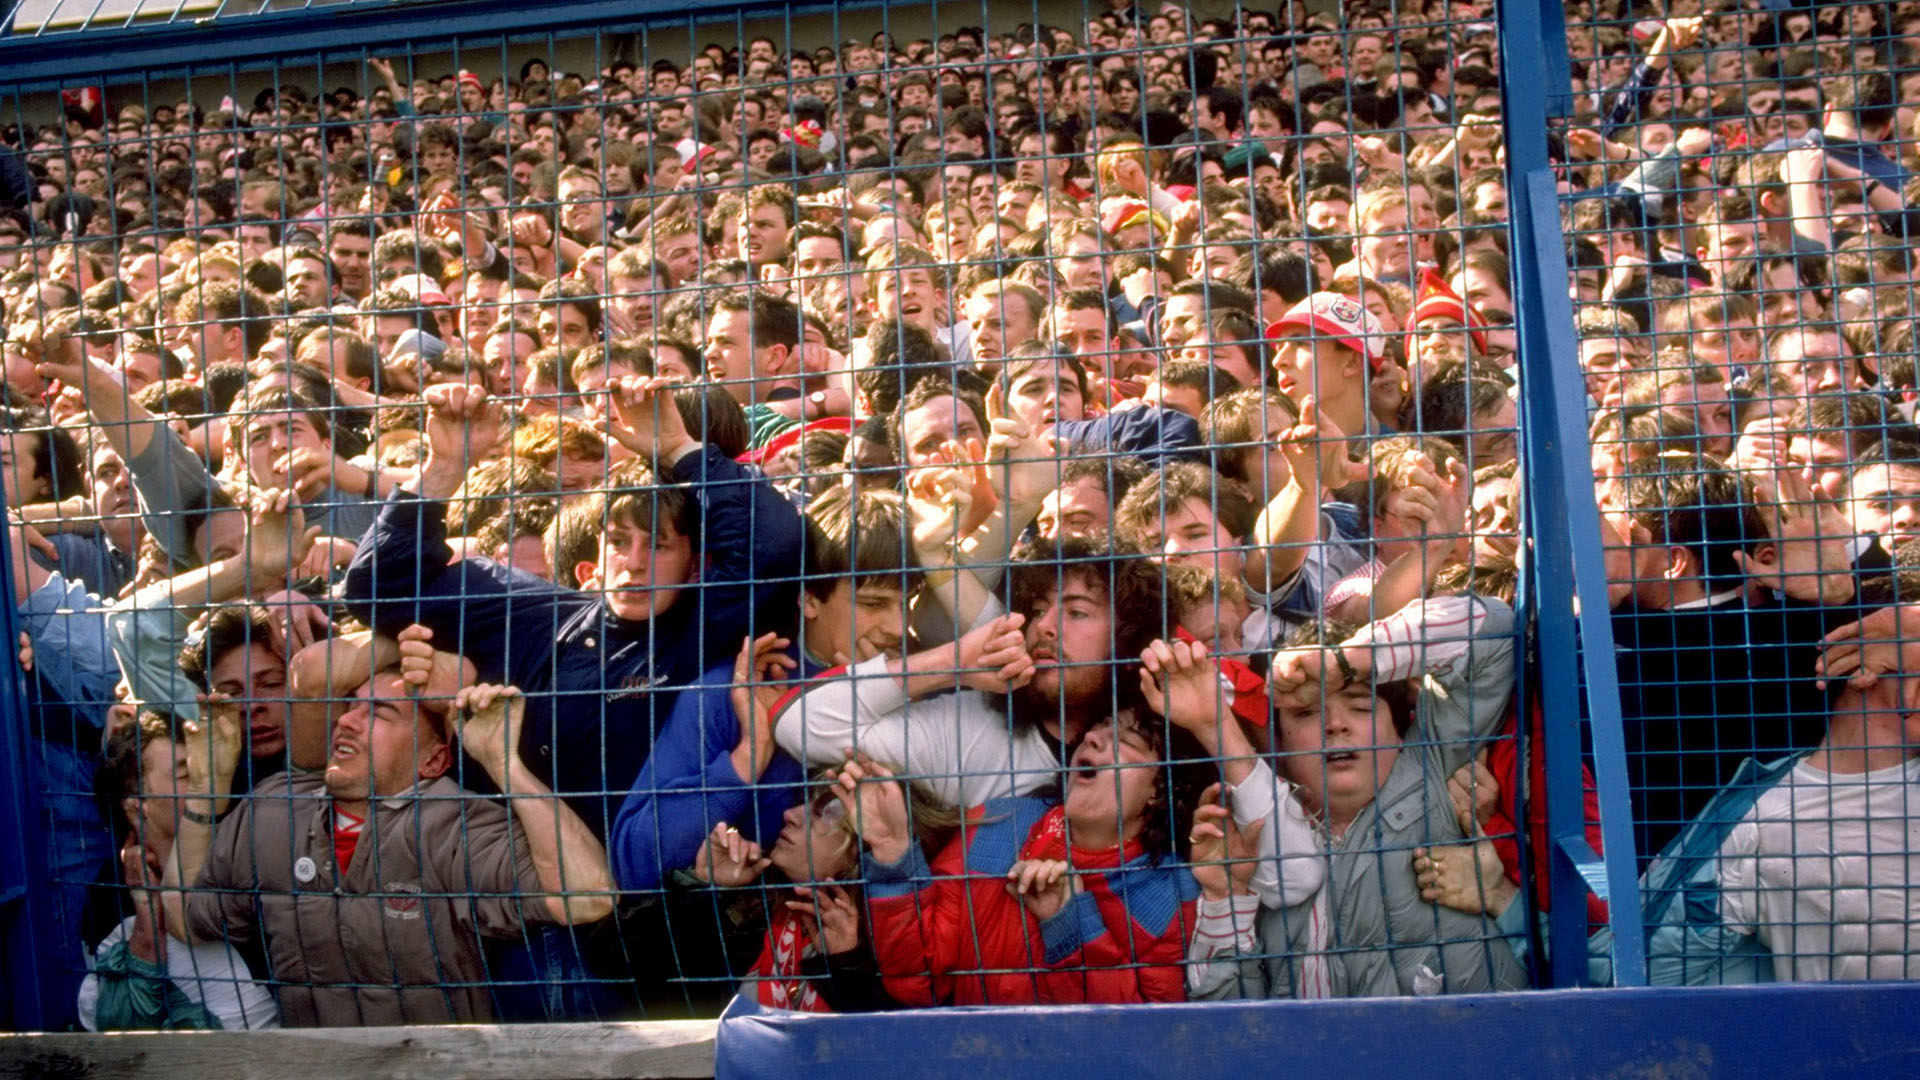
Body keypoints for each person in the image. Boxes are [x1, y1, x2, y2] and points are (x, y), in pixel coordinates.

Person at [164, 673, 615, 1025]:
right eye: (350, 706)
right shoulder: (274, 811)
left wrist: (503, 764)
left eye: (379, 713)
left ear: (433, 761)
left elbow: (589, 895)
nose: (347, 720)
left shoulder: (453, 825)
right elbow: (186, 918)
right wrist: (206, 789)